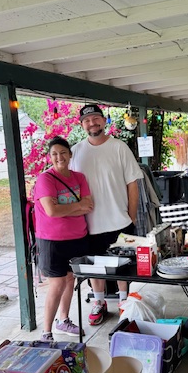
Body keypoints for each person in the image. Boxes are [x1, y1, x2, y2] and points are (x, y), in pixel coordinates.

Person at [70, 104, 144, 325]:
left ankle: (124, 301)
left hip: (120, 220)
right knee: (95, 267)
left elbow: (133, 184)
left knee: (123, 266)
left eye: (96, 119)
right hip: (89, 223)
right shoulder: (75, 151)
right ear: (82, 125)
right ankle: (99, 301)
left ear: (104, 121)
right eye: (87, 121)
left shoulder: (119, 147)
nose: (92, 124)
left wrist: (131, 217)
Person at [33, 137, 94, 343]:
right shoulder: (46, 179)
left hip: (77, 238)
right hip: (53, 240)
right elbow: (51, 211)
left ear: (70, 154)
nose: (59, 157)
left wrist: (64, 208)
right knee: (57, 283)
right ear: (49, 157)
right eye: (54, 154)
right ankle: (46, 332)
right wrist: (77, 207)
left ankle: (64, 320)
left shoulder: (79, 178)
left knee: (70, 279)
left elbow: (88, 205)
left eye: (63, 153)